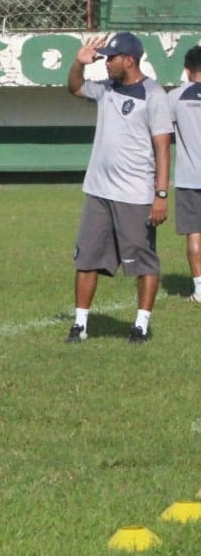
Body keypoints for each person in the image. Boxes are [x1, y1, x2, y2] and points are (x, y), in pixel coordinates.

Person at [65, 31, 172, 344]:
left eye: (112, 58)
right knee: (86, 259)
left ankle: (140, 325)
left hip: (136, 194)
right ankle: (80, 325)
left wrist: (161, 195)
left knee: (143, 261)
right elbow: (73, 87)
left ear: (130, 60)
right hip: (98, 191)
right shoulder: (106, 89)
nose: (107, 63)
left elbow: (163, 148)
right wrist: (78, 62)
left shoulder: (153, 95)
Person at [167, 45, 201, 301]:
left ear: (187, 70)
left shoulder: (176, 97)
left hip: (189, 177)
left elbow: (160, 135)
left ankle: (200, 290)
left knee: (194, 232)